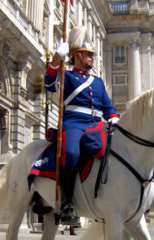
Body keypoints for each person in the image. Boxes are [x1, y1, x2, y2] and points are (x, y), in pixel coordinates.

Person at [44, 26, 119, 224]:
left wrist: (113, 117)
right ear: (76, 55)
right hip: (74, 123)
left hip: (96, 124)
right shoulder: (66, 75)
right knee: (71, 154)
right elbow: (49, 84)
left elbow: (107, 106)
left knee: (114, 152)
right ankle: (67, 203)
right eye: (88, 54)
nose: (92, 58)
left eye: (92, 55)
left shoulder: (98, 81)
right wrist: (56, 60)